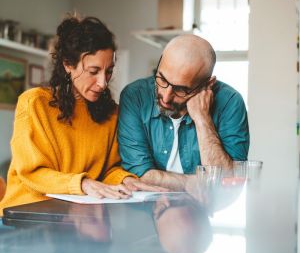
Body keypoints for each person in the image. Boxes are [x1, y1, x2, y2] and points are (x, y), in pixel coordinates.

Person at [0, 15, 159, 216]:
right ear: (68, 64)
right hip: (24, 218)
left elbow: (109, 169)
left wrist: (127, 180)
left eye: (108, 71)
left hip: (78, 219)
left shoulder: (112, 113)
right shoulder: (34, 103)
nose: (103, 82)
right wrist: (83, 183)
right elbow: (31, 172)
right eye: (93, 71)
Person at [118, 34, 249, 190]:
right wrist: (193, 183)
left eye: (181, 89)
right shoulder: (135, 96)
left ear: (208, 85)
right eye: (162, 79)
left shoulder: (230, 102)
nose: (165, 97)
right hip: (148, 206)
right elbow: (138, 172)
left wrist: (202, 119)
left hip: (206, 208)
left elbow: (228, 181)